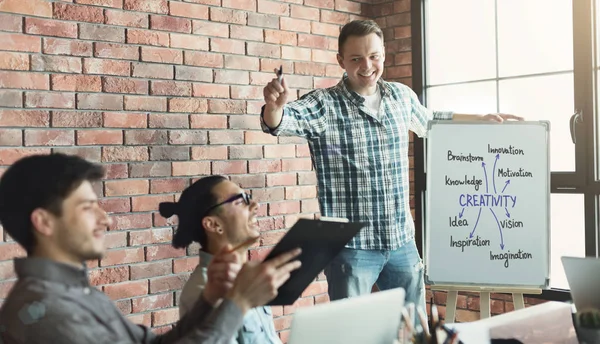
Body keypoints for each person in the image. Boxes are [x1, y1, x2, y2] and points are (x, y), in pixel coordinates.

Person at [260, 19, 523, 312]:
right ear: (341, 61)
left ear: (383, 53)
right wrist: (274, 107)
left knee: (414, 331)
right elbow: (280, 122)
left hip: (401, 242)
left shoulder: (401, 96)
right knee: (353, 333)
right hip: (352, 248)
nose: (367, 65)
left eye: (374, 56)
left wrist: (480, 119)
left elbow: (432, 120)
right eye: (356, 58)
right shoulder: (324, 104)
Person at [0, 153, 301, 344]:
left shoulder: (78, 294)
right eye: (88, 207)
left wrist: (209, 301)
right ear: (44, 222)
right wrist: (237, 303)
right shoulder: (46, 311)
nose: (106, 220)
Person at [159, 176, 281, 344]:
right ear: (213, 225)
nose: (255, 205)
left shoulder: (248, 279)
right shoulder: (206, 292)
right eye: (240, 201)